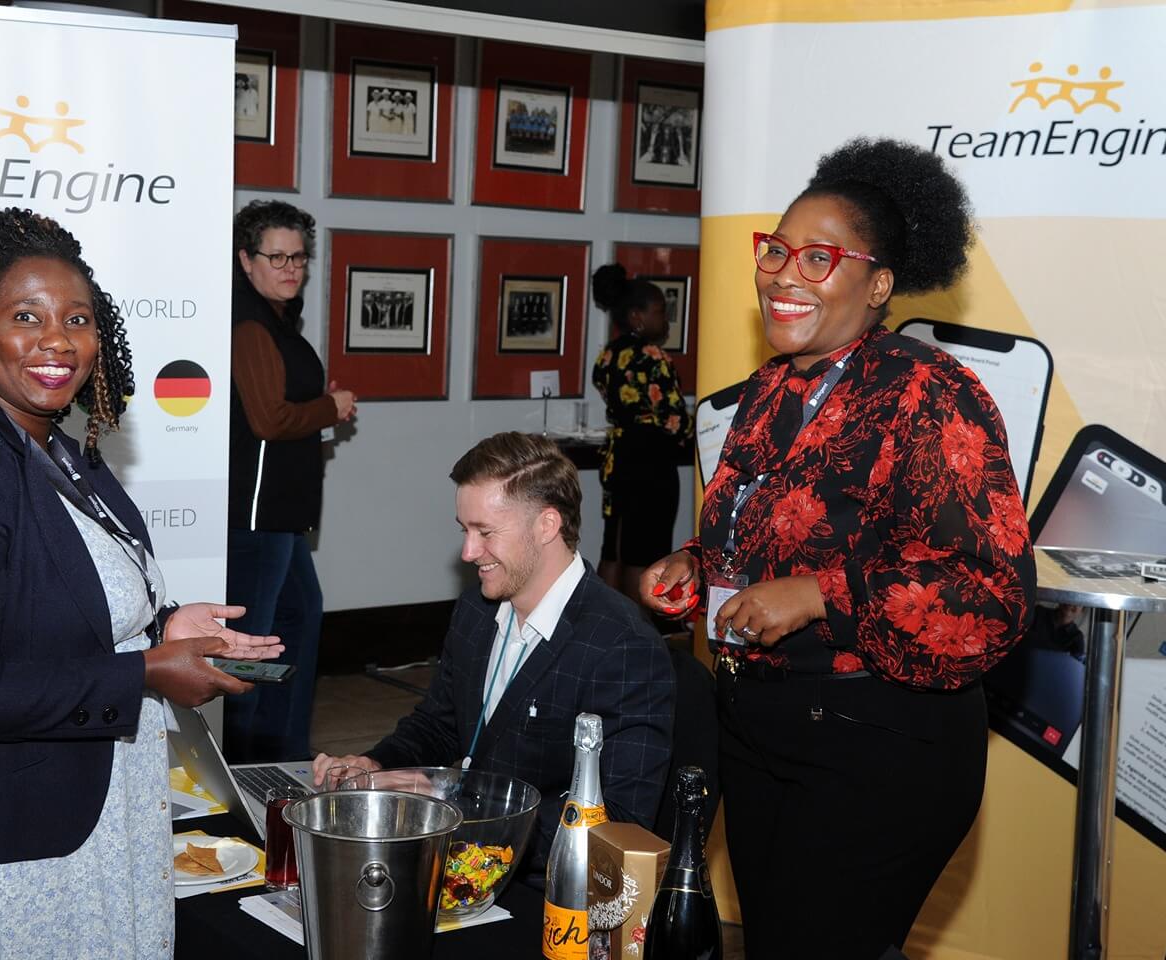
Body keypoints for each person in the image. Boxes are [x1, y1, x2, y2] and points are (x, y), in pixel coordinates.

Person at [0, 207, 283, 959]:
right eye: (26, 316)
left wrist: (164, 625)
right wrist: (145, 671)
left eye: (77, 318)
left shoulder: (64, 453)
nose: (56, 340)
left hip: (83, 815)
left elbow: (58, 603)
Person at [641, 138, 1037, 959]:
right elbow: (767, 522)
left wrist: (825, 594)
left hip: (879, 747)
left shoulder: (931, 393)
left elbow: (989, 599)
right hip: (760, 730)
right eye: (777, 251)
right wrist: (697, 561)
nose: (784, 274)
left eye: (817, 258)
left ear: (879, 283)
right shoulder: (769, 387)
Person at [311, 432, 675, 883]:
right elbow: (440, 725)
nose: (468, 552)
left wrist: (459, 809)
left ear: (546, 525)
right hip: (465, 868)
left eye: (485, 532)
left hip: (544, 896)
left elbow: (616, 822)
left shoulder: (622, 646)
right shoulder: (476, 611)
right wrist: (376, 765)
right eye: (465, 531)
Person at [226, 199, 356, 762]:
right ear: (245, 259)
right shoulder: (250, 323)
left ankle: (283, 756)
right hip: (257, 517)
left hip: (280, 516)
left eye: (298, 257)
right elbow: (269, 420)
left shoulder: (274, 319)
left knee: (299, 616)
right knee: (251, 646)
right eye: (275, 256)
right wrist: (331, 406)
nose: (289, 267)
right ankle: (244, 763)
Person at [590, 264, 693, 608]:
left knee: (615, 546)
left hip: (619, 460)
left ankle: (603, 626)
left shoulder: (607, 356)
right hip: (652, 464)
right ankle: (639, 631)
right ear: (636, 316)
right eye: (660, 312)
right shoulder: (654, 358)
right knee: (645, 554)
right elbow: (677, 421)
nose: (665, 322)